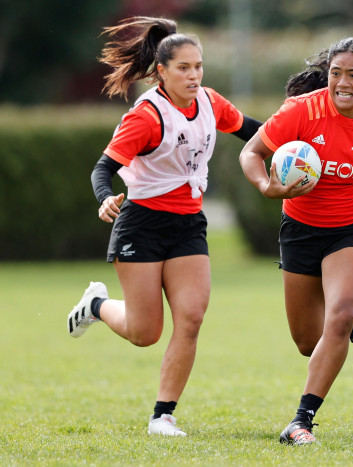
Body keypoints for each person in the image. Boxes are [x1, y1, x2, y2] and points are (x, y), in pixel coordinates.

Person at [65, 16, 262, 436]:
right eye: (183, 68)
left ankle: (162, 417)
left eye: (198, 66)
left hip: (189, 224)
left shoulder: (209, 101)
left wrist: (301, 142)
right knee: (144, 333)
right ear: (162, 71)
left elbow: (255, 133)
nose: (193, 75)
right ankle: (96, 306)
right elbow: (103, 169)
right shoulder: (146, 116)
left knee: (190, 318)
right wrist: (105, 200)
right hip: (142, 225)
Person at [239, 37, 353, 445]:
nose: (342, 82)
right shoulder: (302, 110)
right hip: (299, 230)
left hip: (351, 231)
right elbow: (251, 153)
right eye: (336, 73)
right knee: (307, 341)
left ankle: (301, 421)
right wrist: (266, 185)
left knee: (336, 316)